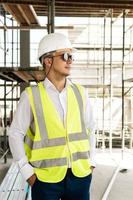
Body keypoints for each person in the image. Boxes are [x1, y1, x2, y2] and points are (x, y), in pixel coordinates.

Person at [8, 32, 96, 200]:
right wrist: (27, 173)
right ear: (48, 60)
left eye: (71, 56)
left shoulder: (80, 93)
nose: (70, 60)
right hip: (45, 180)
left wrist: (92, 163)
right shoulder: (31, 96)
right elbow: (15, 134)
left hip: (80, 176)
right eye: (65, 56)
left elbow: (91, 127)